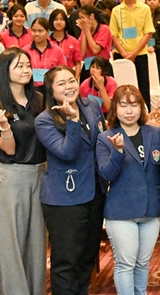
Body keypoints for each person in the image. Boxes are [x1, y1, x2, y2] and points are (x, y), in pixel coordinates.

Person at [34, 66, 106, 295]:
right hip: (64, 199)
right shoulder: (44, 120)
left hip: (94, 193)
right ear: (51, 90)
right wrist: (72, 121)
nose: (69, 86)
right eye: (61, 83)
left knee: (87, 257)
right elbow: (67, 153)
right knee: (67, 262)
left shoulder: (91, 105)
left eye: (72, 80)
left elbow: (101, 140)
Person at [96, 85, 160, 294]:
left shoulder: (155, 133)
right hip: (121, 212)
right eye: (123, 105)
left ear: (142, 107)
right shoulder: (106, 138)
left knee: (142, 263)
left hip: (151, 209)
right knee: (125, 264)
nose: (129, 111)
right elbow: (106, 174)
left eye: (134, 105)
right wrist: (117, 152)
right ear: (115, 108)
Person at [0, 47, 47, 295]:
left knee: (37, 241)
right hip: (12, 176)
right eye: (19, 65)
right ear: (4, 71)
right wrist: (4, 127)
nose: (26, 70)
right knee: (12, 243)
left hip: (41, 174)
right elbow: (8, 149)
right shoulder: (1, 103)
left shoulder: (39, 100)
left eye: (28, 64)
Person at [109, 0, 155, 109]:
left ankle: (145, 113)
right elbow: (113, 35)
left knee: (143, 87)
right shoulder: (116, 10)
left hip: (140, 54)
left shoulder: (145, 8)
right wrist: (124, 54)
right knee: (122, 88)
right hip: (121, 54)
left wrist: (134, 53)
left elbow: (148, 33)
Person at [26, 17, 67, 91]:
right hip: (30, 89)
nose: (36, 34)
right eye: (34, 30)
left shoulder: (58, 51)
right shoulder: (25, 51)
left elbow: (63, 72)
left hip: (52, 89)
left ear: (47, 31)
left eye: (40, 31)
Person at [49, 9, 82, 79]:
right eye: (56, 19)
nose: (59, 22)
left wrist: (76, 77)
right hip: (51, 77)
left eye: (62, 19)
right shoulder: (46, 41)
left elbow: (78, 62)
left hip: (69, 76)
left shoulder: (73, 41)